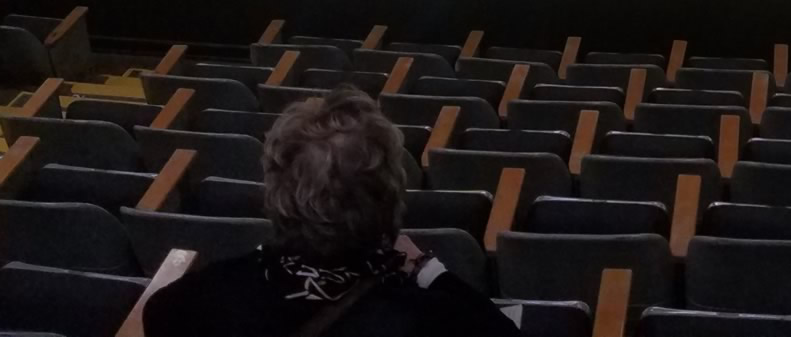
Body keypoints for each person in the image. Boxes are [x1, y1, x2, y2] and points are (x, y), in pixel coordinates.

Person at [143, 88, 518, 337]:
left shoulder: (180, 305)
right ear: (390, 197)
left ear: (274, 190)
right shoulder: (435, 321)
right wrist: (429, 271)